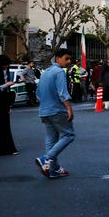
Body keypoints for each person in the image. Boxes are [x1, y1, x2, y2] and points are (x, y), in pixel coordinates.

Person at [36, 49, 75, 178]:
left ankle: (53, 168)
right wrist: (69, 108)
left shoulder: (45, 72)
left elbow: (38, 94)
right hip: (57, 110)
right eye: (66, 58)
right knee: (69, 135)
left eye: (70, 59)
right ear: (58, 58)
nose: (69, 62)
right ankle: (46, 158)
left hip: (44, 110)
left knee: (51, 140)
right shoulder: (59, 72)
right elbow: (63, 92)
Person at [0, 55, 19, 156]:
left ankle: (8, 148)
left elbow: (7, 90)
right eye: (4, 65)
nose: (6, 67)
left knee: (5, 126)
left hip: (4, 102)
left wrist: (9, 105)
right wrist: (7, 85)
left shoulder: (6, 71)